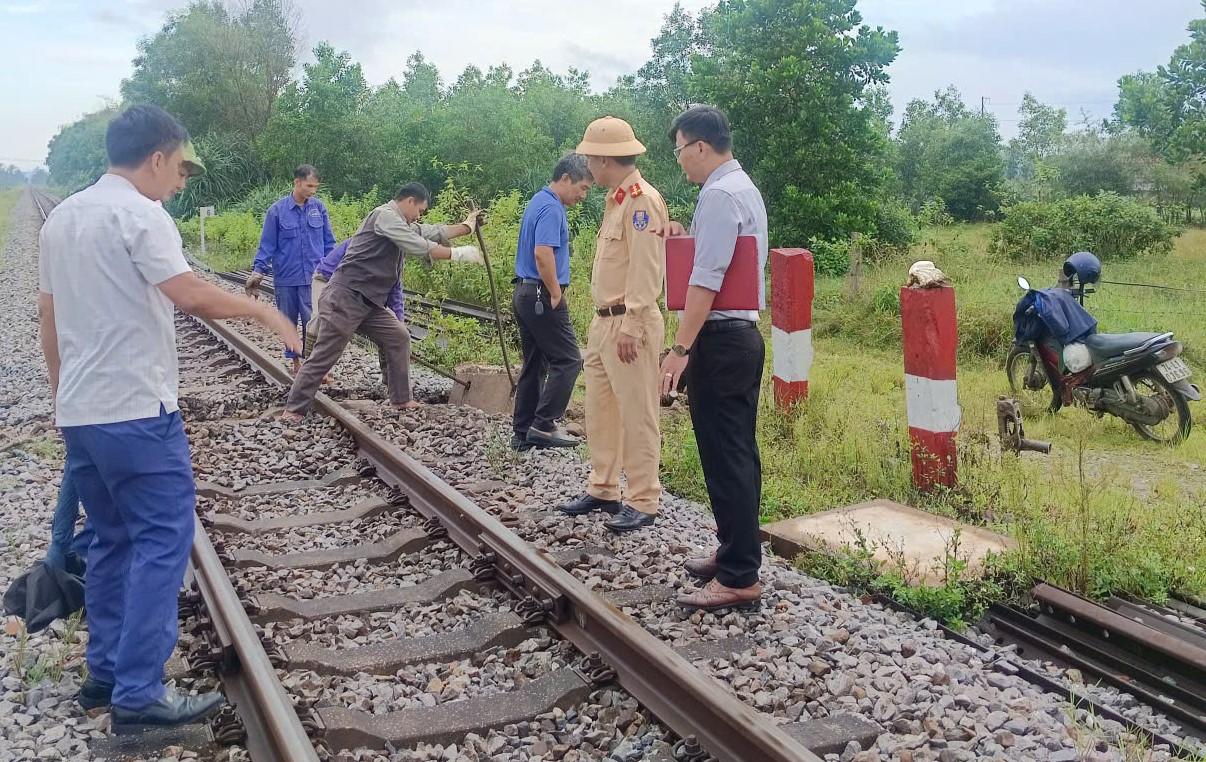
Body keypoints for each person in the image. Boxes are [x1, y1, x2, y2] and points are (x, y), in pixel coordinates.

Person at [37, 104, 300, 732]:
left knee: (109, 541)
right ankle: (138, 697)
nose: (181, 180)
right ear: (156, 159)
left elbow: (47, 315)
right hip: (136, 411)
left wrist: (62, 396)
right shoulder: (142, 214)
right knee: (161, 541)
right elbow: (190, 294)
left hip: (83, 413)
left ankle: (104, 674)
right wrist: (266, 315)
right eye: (179, 167)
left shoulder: (65, 218)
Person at [654, 105, 768, 612]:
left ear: (700, 146)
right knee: (733, 452)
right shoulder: (739, 187)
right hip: (736, 338)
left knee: (728, 457)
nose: (680, 161)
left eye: (680, 150)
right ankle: (733, 553)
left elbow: (707, 280)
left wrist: (679, 349)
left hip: (722, 342)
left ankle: (741, 574)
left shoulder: (720, 195)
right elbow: (717, 259)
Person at [281, 183, 483, 420]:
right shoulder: (384, 217)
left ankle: (401, 400)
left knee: (398, 337)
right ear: (409, 201)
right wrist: (457, 254)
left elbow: (428, 231)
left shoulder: (401, 224)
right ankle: (293, 410)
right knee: (326, 353)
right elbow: (418, 245)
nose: (418, 216)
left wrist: (466, 227)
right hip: (346, 296)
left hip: (369, 302)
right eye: (419, 210)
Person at [555, 117, 668, 533]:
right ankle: (603, 487)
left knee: (637, 413)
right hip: (603, 323)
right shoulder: (617, 200)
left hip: (628, 323)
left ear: (604, 159)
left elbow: (646, 267)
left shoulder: (642, 201)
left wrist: (634, 324)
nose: (587, 164)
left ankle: (643, 498)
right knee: (601, 412)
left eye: (589, 157)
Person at [510, 153, 593, 451]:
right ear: (566, 178)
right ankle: (544, 424)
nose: (582, 196)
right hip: (541, 295)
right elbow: (543, 253)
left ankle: (522, 433)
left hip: (524, 292)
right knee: (570, 359)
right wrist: (556, 292)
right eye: (582, 188)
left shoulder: (538, 201)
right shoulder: (551, 208)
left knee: (535, 363)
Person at [246, 164, 336, 373]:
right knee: (288, 322)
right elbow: (267, 245)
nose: (312, 191)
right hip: (286, 278)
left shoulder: (319, 209)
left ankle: (315, 367)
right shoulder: (276, 212)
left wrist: (333, 269)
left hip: (313, 278)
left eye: (315, 187)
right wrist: (258, 271)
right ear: (297, 182)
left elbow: (329, 243)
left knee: (314, 322)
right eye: (309, 186)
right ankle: (296, 363)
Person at [306, 238, 399, 385]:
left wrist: (398, 324)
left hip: (354, 288)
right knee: (321, 319)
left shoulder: (393, 255)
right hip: (327, 278)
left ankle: (390, 380)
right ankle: (313, 373)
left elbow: (395, 291)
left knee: (391, 332)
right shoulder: (361, 244)